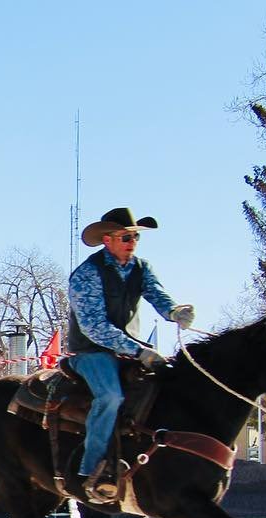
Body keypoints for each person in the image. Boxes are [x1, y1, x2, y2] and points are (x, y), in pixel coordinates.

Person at [69, 207, 195, 502]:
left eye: (136, 236)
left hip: (131, 351)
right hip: (92, 351)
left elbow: (156, 294)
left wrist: (174, 311)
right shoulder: (86, 274)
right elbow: (93, 327)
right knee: (110, 396)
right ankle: (91, 468)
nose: (132, 242)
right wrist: (138, 350)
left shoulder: (141, 267)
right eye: (126, 236)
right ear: (107, 239)